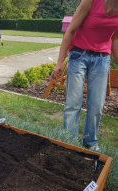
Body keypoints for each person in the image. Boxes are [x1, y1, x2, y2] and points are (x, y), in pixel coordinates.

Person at [51, 0, 118, 151]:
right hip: (79, 55)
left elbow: (115, 38)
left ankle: (90, 142)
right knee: (73, 102)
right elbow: (70, 31)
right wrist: (60, 62)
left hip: (102, 59)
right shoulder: (92, 1)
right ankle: (69, 141)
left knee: (96, 105)